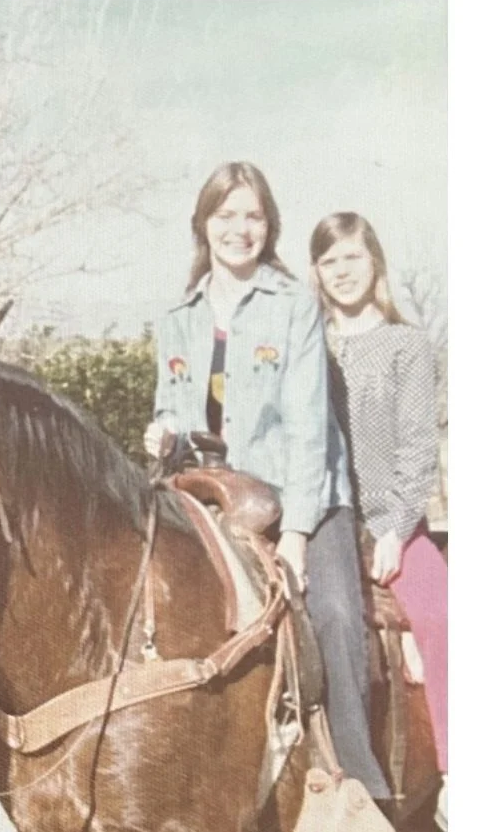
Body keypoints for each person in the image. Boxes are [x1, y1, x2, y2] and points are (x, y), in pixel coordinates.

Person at [144, 162, 391, 800]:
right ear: (203, 224)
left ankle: (360, 787)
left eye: (253, 216)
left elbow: (310, 427)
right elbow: (171, 405)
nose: (239, 229)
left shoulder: (295, 305)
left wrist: (299, 534)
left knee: (334, 618)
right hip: (210, 497)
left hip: (301, 497)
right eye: (225, 215)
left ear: (269, 226)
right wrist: (161, 432)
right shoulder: (176, 316)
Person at [310, 211, 448, 828]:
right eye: (329, 261)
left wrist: (396, 527)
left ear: (375, 263)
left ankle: (455, 773)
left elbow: (419, 447)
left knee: (443, 617)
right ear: (316, 272)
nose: (341, 272)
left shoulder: (405, 345)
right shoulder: (310, 345)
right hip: (324, 516)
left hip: (393, 519)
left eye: (352, 258)